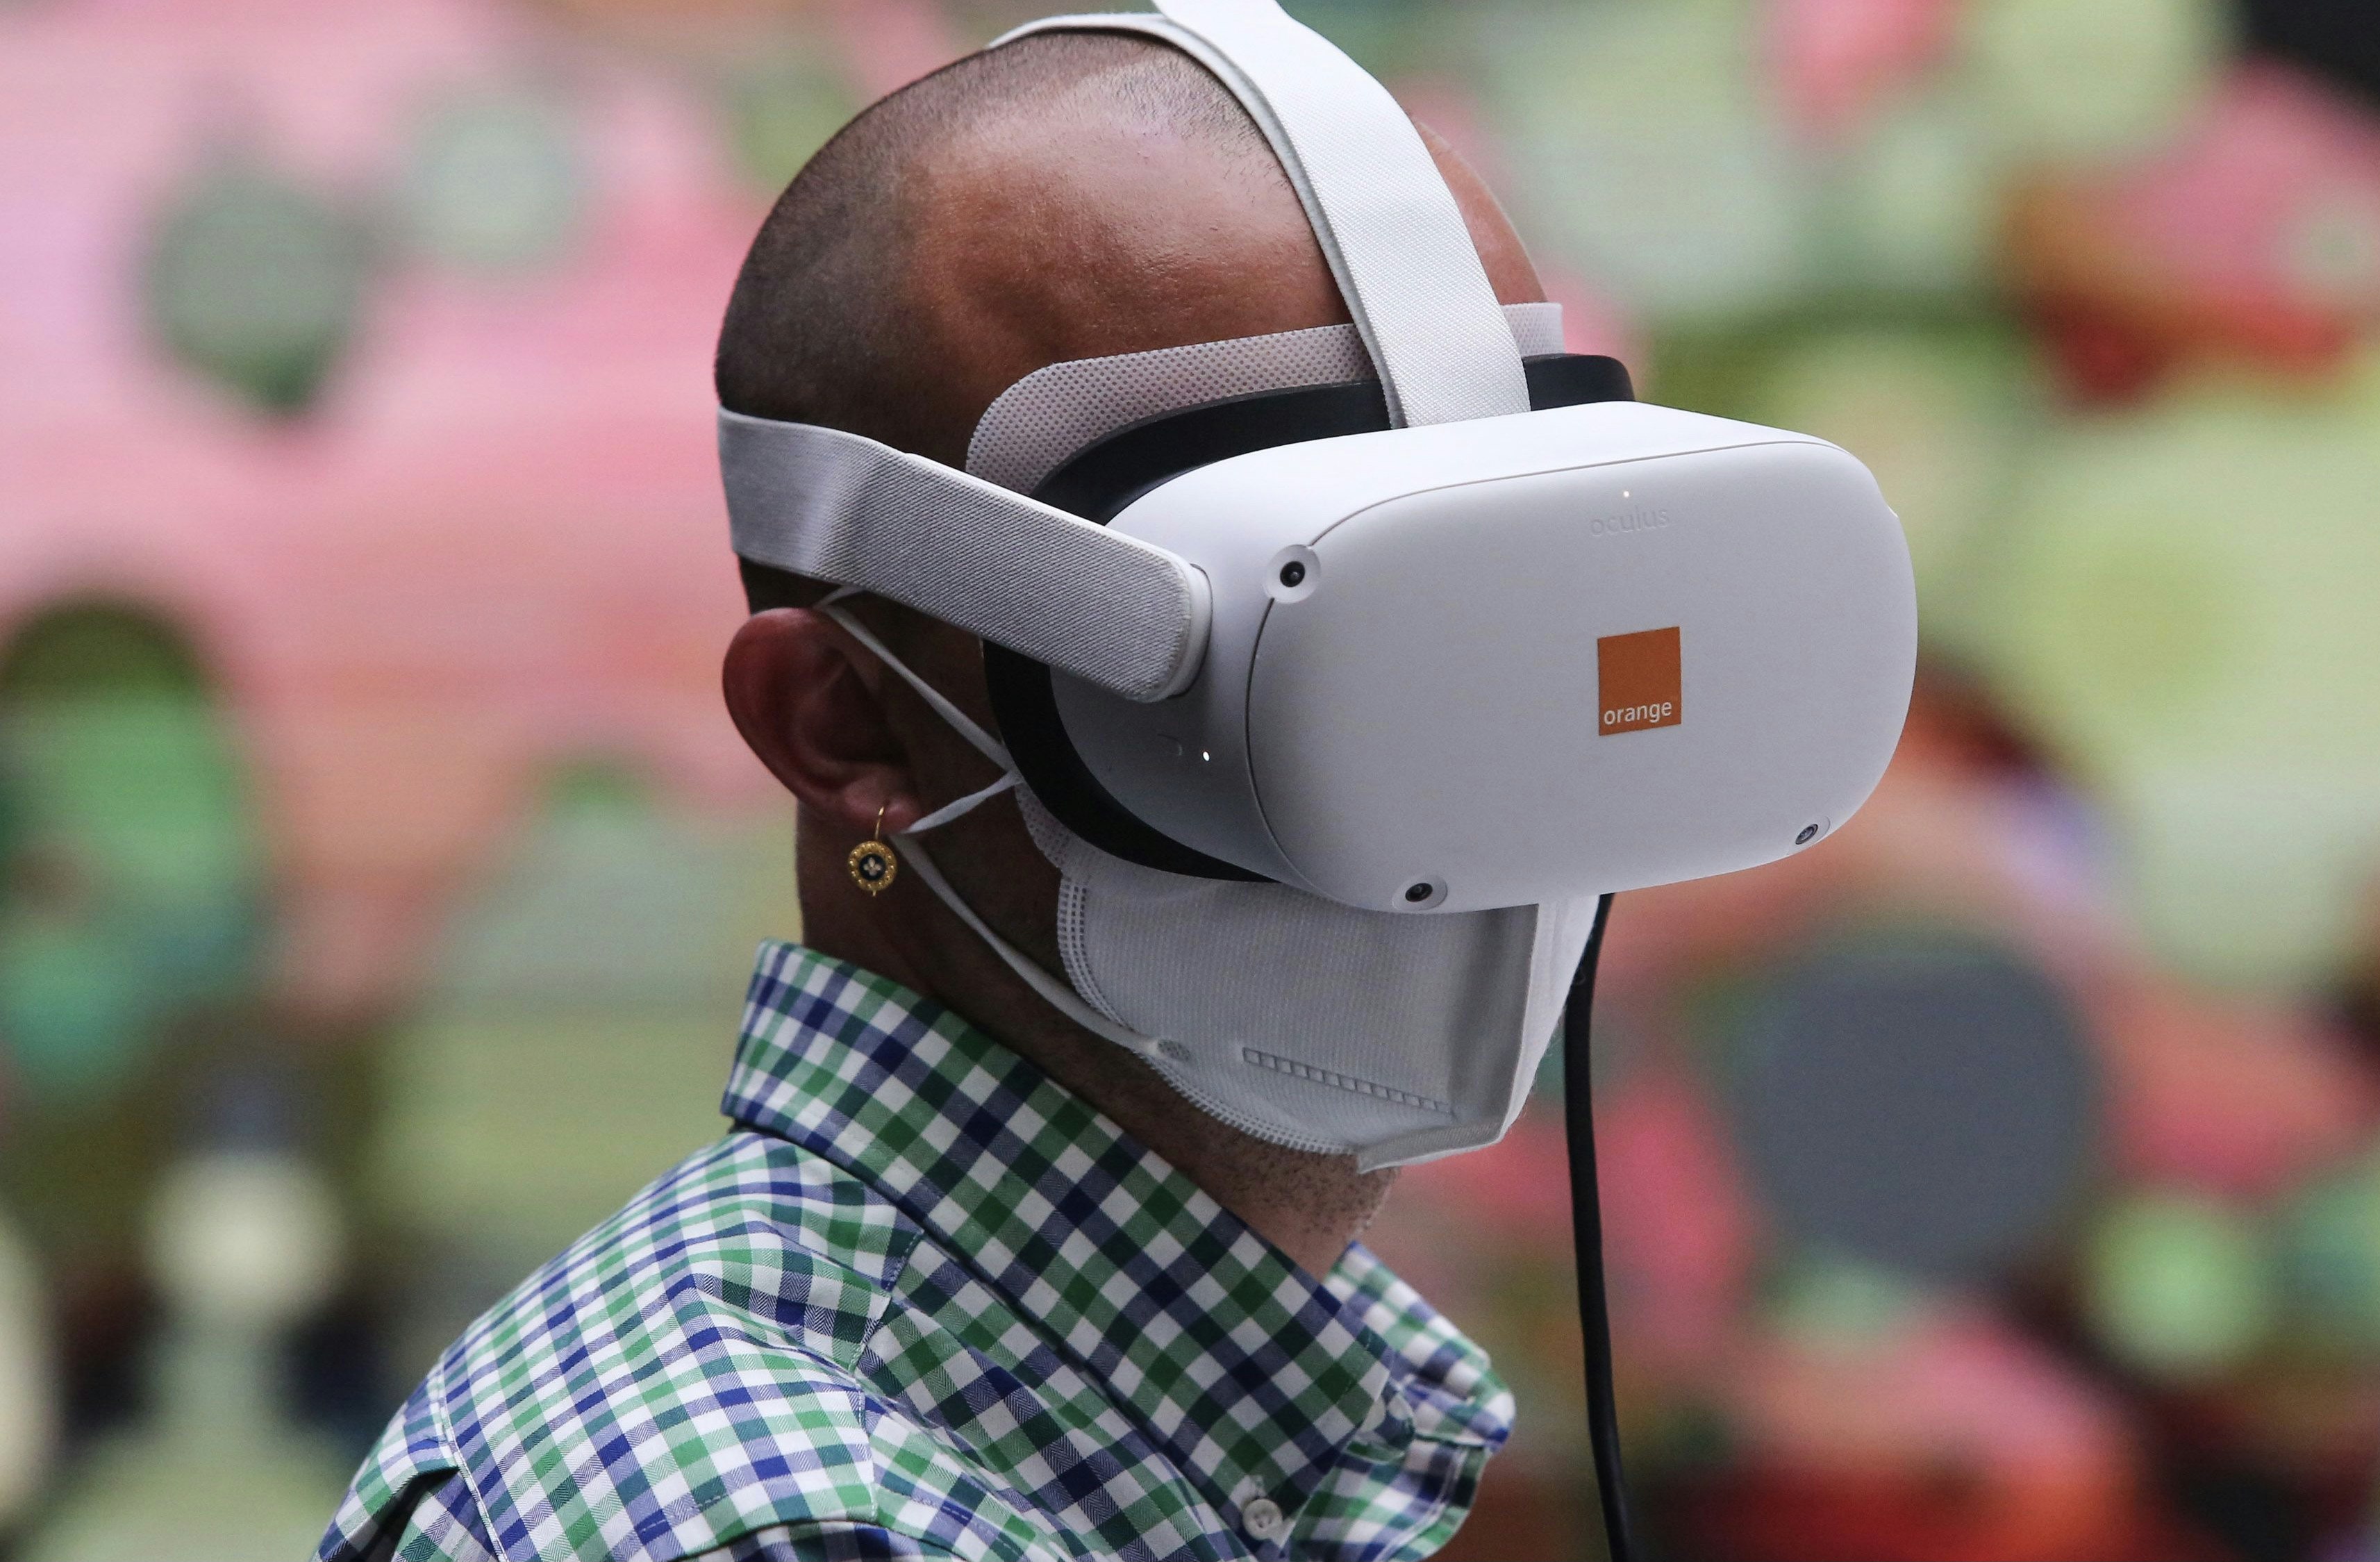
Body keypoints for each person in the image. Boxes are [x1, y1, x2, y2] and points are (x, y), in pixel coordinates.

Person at [318, 24, 1561, 1562]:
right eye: (1283, 620)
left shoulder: (1208, 1450)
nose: (1459, 747)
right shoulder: (777, 1527)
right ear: (848, 724)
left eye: (1511, 596)